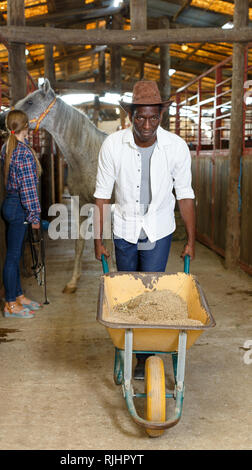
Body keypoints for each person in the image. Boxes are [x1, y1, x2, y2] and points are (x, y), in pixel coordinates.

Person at [94, 80, 195, 378]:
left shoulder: (176, 147)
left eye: (152, 117)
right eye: (140, 117)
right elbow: (102, 195)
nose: (146, 124)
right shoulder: (113, 145)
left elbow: (185, 195)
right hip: (124, 230)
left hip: (159, 229)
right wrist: (97, 241)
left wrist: (191, 240)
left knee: (151, 294)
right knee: (127, 295)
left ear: (160, 116)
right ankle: (129, 349)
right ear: (131, 116)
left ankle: (144, 358)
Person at [1, 109, 43, 318]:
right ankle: (10, 303)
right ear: (25, 126)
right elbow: (28, 189)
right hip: (19, 207)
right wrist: (34, 216)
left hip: (11, 203)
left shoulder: (7, 147)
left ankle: (18, 295)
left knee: (14, 255)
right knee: (12, 257)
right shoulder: (24, 152)